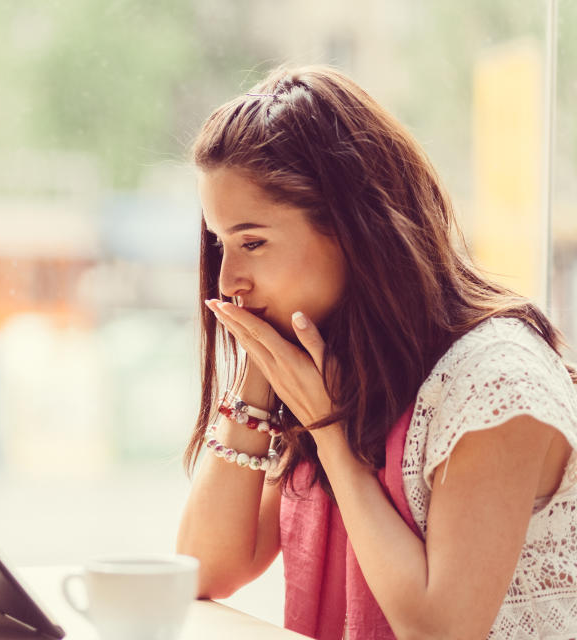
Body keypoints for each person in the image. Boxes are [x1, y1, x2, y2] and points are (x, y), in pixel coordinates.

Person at [175, 64, 577, 640]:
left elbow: (441, 630)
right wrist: (258, 379)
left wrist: (331, 437)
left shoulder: (497, 383)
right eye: (220, 245)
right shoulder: (335, 360)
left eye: (253, 242)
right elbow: (204, 570)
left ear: (352, 229)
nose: (229, 280)